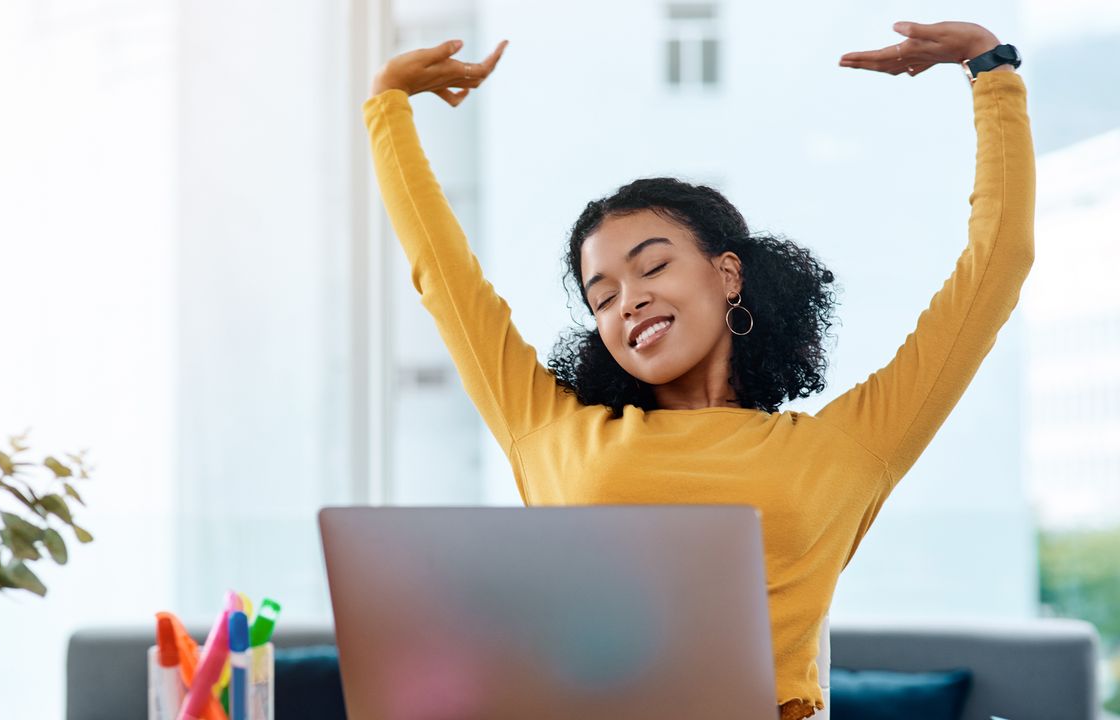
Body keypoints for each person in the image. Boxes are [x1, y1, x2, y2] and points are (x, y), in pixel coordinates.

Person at [363, 19, 1032, 720]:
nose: (631, 301)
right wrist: (387, 104)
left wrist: (990, 70)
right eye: (604, 297)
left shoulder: (845, 448)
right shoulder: (551, 430)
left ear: (728, 274)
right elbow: (443, 276)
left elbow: (996, 269)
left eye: (652, 266)